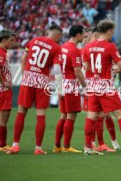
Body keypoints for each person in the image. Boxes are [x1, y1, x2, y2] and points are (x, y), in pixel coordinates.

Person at [82, 20, 121, 155]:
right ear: (109, 31)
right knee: (120, 115)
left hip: (92, 85)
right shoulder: (110, 46)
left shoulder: (88, 47)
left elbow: (86, 67)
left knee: (91, 116)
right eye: (113, 31)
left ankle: (87, 148)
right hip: (106, 86)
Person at [7, 25, 63, 155]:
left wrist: (25, 76)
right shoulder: (56, 48)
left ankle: (15, 145)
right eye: (60, 36)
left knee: (21, 112)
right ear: (57, 35)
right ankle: (38, 148)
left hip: (28, 80)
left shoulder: (34, 40)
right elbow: (57, 70)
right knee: (41, 115)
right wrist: (60, 89)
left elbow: (23, 59)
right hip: (42, 82)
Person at [82, 27, 120, 152]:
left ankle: (104, 143)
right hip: (93, 86)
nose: (84, 39)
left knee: (104, 115)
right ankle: (93, 144)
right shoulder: (86, 49)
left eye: (87, 37)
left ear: (95, 35)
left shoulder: (92, 48)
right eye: (84, 36)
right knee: (95, 116)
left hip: (99, 85)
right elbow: (84, 70)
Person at [53, 25, 86, 153]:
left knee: (63, 115)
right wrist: (86, 88)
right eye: (83, 34)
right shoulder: (75, 50)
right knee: (71, 115)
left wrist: (59, 86)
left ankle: (57, 146)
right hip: (71, 84)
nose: (84, 37)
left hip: (62, 83)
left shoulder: (63, 47)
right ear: (78, 35)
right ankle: (66, 146)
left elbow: (57, 69)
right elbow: (78, 71)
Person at [0, 30, 15, 152]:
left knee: (4, 116)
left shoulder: (4, 52)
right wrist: (3, 82)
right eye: (11, 40)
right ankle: (2, 144)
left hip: (4, 89)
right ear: (4, 40)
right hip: (3, 89)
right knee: (4, 116)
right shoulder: (1, 53)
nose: (13, 43)